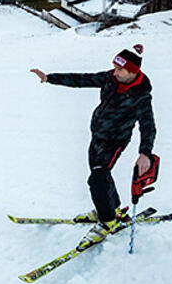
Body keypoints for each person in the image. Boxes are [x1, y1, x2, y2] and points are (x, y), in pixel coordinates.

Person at [30, 44, 156, 242]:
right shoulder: (110, 78)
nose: (114, 72)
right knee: (101, 176)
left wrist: (145, 153)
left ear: (132, 71)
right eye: (114, 67)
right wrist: (50, 78)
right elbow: (83, 79)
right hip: (97, 134)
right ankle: (111, 209)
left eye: (119, 70)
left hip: (115, 140)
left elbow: (148, 126)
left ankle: (107, 221)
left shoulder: (141, 96)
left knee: (97, 179)